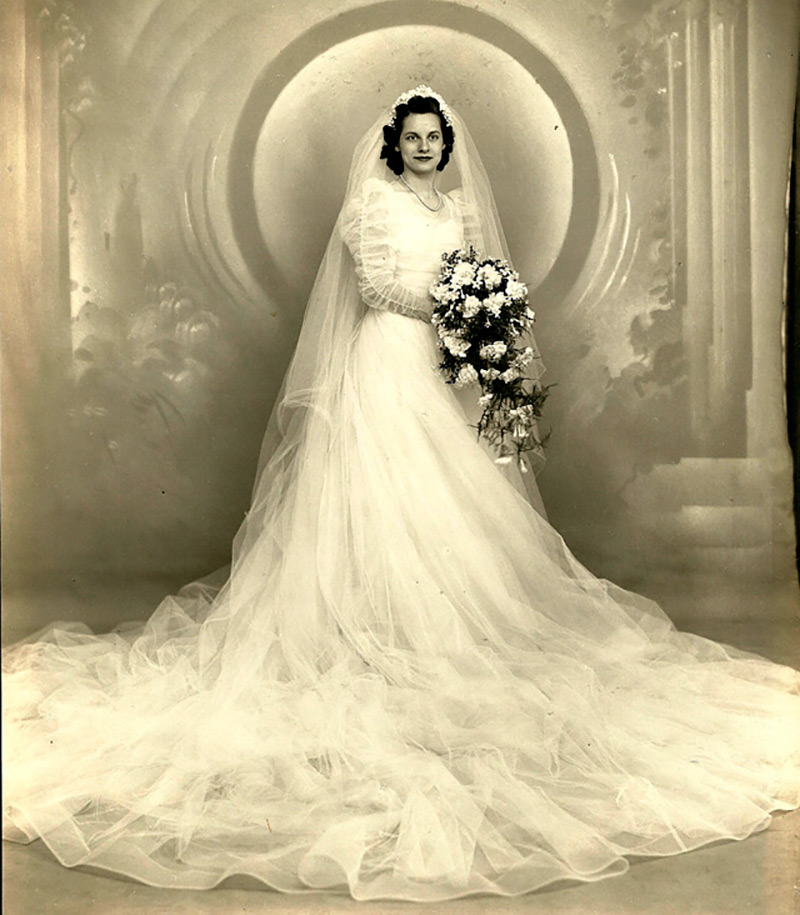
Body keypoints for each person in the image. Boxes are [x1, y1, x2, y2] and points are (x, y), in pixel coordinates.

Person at [3, 87, 799, 903]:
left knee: (454, 505)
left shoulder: (457, 209)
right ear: (395, 143)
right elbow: (378, 288)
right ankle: (370, 632)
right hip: (386, 359)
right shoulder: (372, 204)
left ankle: (444, 638)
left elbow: (474, 276)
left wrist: (481, 321)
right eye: (412, 137)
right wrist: (455, 306)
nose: (423, 147)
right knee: (379, 495)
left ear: (446, 144)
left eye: (433, 137)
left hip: (440, 367)